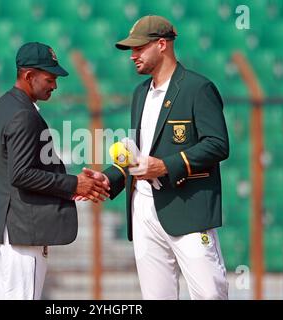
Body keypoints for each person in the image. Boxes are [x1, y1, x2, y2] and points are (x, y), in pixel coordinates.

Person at [84, 15, 230, 299]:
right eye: (131, 50)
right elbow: (140, 155)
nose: (133, 56)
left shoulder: (197, 88)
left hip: (187, 209)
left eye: (139, 48)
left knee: (210, 294)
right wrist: (109, 178)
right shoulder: (140, 94)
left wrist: (165, 166)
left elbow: (218, 144)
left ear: (162, 44)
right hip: (143, 211)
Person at [0, 42, 109, 300]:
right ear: (29, 76)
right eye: (50, 79)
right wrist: (74, 184)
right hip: (21, 230)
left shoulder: (2, 106)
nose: (55, 85)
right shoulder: (24, 114)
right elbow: (20, 174)